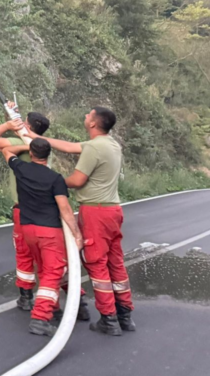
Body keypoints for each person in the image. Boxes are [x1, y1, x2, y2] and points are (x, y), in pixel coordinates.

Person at [26, 106, 134, 336]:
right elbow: (69, 146)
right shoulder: (111, 144)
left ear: (94, 123)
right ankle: (125, 314)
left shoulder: (94, 148)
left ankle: (108, 319)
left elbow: (77, 180)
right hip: (113, 210)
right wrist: (36, 137)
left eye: (88, 115)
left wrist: (50, 183)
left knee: (96, 263)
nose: (85, 116)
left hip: (95, 212)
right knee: (115, 262)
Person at [0, 104, 68, 315]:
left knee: (25, 253)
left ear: (26, 126)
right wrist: (10, 115)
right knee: (51, 258)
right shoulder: (42, 146)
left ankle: (27, 297)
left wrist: (7, 124)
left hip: (24, 211)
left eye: (23, 121)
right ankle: (67, 300)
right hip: (47, 212)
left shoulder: (20, 144)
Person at [0, 137, 84, 336]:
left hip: (28, 229)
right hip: (49, 231)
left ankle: (53, 309)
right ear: (49, 155)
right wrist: (76, 234)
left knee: (44, 269)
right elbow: (65, 210)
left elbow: (7, 150)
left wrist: (25, 146)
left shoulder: (21, 168)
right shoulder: (55, 179)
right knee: (54, 270)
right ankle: (40, 317)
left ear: (31, 153)